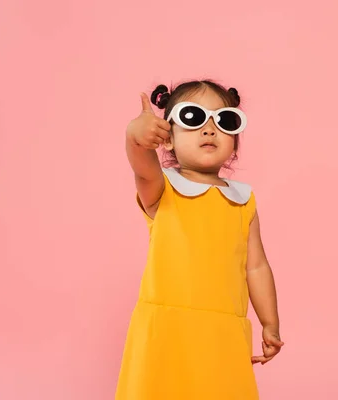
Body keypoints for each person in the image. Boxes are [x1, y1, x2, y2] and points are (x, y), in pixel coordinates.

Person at [115, 79, 283, 399]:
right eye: (193, 118)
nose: (209, 129)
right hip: (168, 328)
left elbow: (256, 266)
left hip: (224, 332)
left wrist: (270, 323)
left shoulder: (243, 200)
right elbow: (142, 168)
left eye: (224, 120)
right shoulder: (162, 189)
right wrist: (135, 136)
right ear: (167, 139)